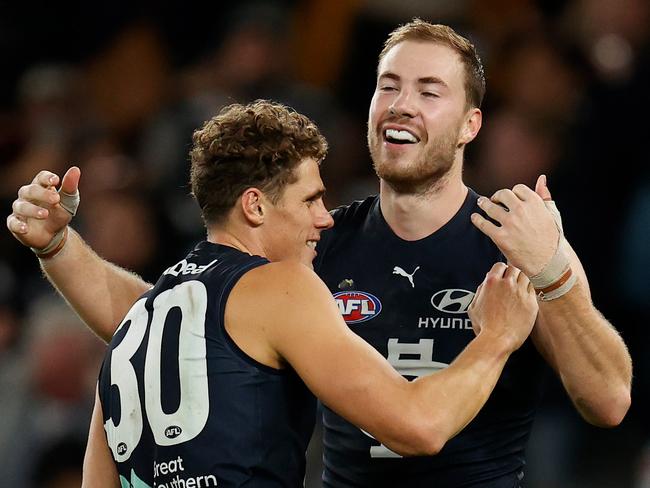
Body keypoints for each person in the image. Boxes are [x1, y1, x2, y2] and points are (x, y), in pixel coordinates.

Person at [6, 19, 632, 488]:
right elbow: (178, 318)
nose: (402, 102)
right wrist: (62, 248)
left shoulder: (521, 240)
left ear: (470, 124)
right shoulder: (316, 242)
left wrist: (552, 273)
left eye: (429, 89)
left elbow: (608, 401)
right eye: (388, 85)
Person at [8, 100, 538, 487]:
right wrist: (496, 338)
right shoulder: (281, 285)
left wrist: (57, 246)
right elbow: (417, 426)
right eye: (310, 199)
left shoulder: (136, 331)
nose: (324, 218)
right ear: (256, 207)